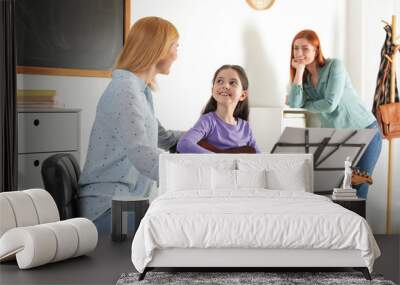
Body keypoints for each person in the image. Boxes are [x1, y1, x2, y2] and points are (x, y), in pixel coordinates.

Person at [78, 17, 182, 233]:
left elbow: (162, 137)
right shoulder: (125, 92)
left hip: (126, 203)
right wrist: (189, 177)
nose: (176, 55)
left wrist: (203, 134)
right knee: (178, 229)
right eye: (175, 46)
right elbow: (141, 154)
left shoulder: (139, 91)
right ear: (159, 49)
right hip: (110, 209)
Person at [287, 29, 382, 199]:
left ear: (316, 50)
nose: (299, 53)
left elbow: (330, 105)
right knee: (338, 190)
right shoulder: (304, 78)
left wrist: (306, 104)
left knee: (358, 189)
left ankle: (357, 226)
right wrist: (300, 71)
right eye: (296, 48)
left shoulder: (335, 66)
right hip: (338, 137)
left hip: (365, 131)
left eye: (305, 48)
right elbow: (294, 103)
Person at [177, 64, 261, 153]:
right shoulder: (208, 121)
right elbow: (184, 144)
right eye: (220, 81)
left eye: (232, 83)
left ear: (243, 95)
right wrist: (218, 160)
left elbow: (260, 158)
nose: (225, 86)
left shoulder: (246, 127)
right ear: (212, 90)